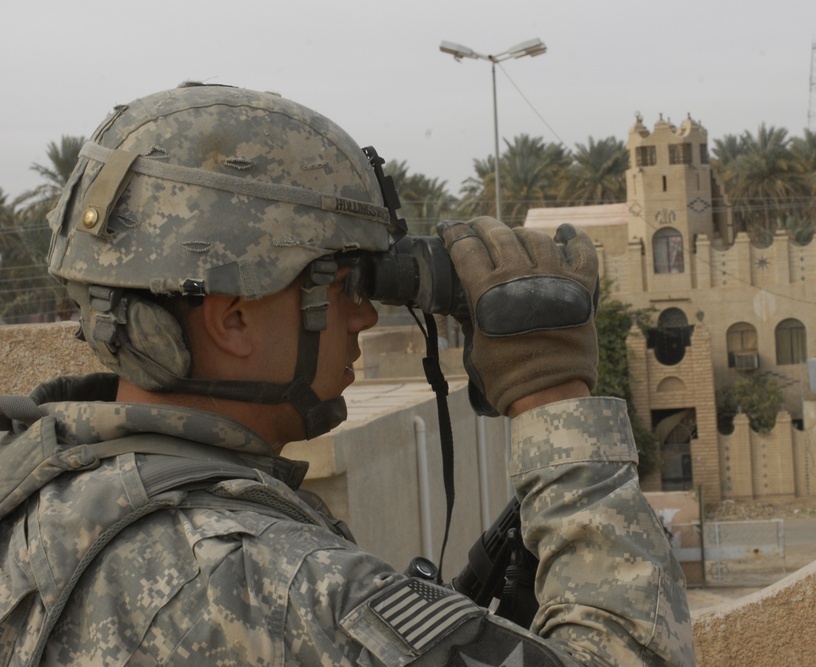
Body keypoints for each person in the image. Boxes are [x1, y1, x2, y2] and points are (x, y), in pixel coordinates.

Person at [0, 83, 693, 666]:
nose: (364, 316)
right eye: (343, 281)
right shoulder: (282, 585)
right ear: (233, 318)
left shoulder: (40, 497)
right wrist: (552, 395)